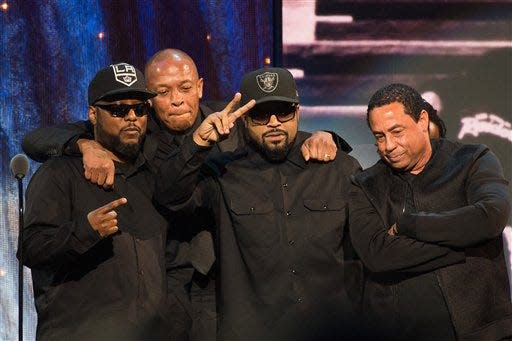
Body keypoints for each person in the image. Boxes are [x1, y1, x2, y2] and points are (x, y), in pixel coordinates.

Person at [21, 49, 341, 341]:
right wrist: (84, 144)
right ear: (149, 99)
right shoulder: (136, 132)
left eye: (185, 88)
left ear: (200, 87)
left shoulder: (227, 124)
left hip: (224, 281)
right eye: (163, 91)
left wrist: (327, 137)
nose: (176, 100)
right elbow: (36, 139)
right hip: (160, 283)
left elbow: (275, 131)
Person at [156, 67, 363, 340]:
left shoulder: (338, 167)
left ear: (298, 112)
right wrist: (197, 144)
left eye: (284, 111)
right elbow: (169, 197)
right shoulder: (221, 174)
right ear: (244, 119)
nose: (274, 122)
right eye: (261, 114)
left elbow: (369, 249)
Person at [18, 63, 171, 340]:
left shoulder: (153, 173)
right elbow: (31, 248)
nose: (132, 117)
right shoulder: (60, 173)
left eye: (140, 109)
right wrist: (85, 231)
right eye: (119, 110)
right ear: (92, 114)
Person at [348, 83, 512, 340]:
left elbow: (491, 217)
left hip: (483, 333)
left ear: (422, 120)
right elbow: (378, 255)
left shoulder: (472, 160)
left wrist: (409, 225)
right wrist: (468, 244)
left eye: (396, 131)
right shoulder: (365, 185)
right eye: (379, 136)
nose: (388, 145)